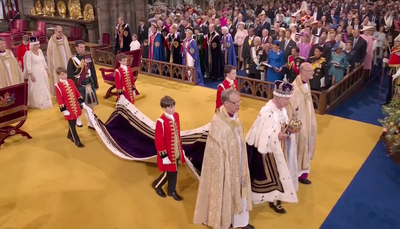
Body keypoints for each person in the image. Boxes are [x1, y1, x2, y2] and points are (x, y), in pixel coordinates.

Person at [193, 89, 254, 229]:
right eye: (236, 102)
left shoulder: (234, 115)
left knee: (240, 189)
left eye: (240, 101)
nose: (239, 105)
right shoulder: (218, 123)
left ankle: (240, 221)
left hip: (239, 163)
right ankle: (225, 220)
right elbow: (215, 154)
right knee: (227, 191)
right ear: (226, 103)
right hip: (226, 167)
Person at [246, 80, 299, 214]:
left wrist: (290, 129)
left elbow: (283, 125)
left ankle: (277, 200)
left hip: (281, 149)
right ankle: (273, 200)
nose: (288, 101)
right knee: (275, 175)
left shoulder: (283, 109)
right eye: (286, 99)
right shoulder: (267, 112)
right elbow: (264, 133)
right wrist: (278, 136)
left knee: (281, 174)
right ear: (278, 98)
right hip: (268, 152)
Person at [286, 63, 317, 185]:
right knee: (300, 145)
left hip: (308, 120)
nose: (313, 73)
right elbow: (292, 109)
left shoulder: (306, 84)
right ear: (303, 72)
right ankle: (296, 173)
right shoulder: (295, 88)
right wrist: (296, 125)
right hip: (300, 123)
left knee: (307, 143)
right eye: (310, 71)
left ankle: (303, 173)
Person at [151, 96, 185, 201]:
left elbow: (177, 135)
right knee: (169, 173)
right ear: (164, 108)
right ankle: (157, 185)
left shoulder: (176, 116)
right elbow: (159, 141)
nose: (173, 109)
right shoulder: (160, 122)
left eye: (173, 106)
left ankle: (171, 191)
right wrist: (164, 156)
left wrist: (180, 149)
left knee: (174, 171)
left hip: (175, 151)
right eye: (170, 107)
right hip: (168, 154)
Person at [67, 40, 98, 129]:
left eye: (84, 47)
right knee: (79, 104)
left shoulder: (88, 57)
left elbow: (93, 71)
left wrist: (95, 83)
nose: (83, 49)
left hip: (89, 82)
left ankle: (90, 122)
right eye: (81, 47)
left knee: (90, 104)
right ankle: (78, 119)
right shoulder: (72, 60)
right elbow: (70, 75)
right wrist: (72, 87)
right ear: (76, 48)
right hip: (79, 84)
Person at [55, 66, 88, 148]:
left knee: (73, 122)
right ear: (59, 75)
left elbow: (76, 92)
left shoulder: (70, 81)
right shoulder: (58, 86)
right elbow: (59, 98)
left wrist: (82, 102)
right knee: (72, 125)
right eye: (62, 74)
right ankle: (77, 140)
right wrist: (63, 110)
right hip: (68, 108)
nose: (64, 76)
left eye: (65, 74)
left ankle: (69, 135)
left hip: (75, 106)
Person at [23, 36, 52, 109]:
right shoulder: (28, 53)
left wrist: (47, 70)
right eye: (35, 45)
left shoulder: (40, 51)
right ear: (32, 45)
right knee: (37, 87)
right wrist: (31, 74)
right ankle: (37, 103)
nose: (37, 46)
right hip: (35, 72)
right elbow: (28, 65)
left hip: (42, 71)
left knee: (44, 85)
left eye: (38, 44)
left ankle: (46, 102)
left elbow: (43, 61)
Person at [47, 25, 73, 96]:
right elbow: (50, 54)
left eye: (61, 31)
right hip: (56, 63)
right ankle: (60, 92)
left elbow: (68, 50)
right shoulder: (52, 41)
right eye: (59, 32)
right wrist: (50, 64)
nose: (60, 33)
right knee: (59, 76)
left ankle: (69, 90)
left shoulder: (64, 38)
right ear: (55, 32)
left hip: (66, 60)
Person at [384, 34, 400, 102]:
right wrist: (387, 61)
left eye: (397, 41)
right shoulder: (394, 48)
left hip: (397, 70)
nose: (395, 42)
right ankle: (388, 101)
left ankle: (395, 102)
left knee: (396, 87)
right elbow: (392, 59)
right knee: (390, 86)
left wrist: (397, 75)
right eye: (394, 41)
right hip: (391, 69)